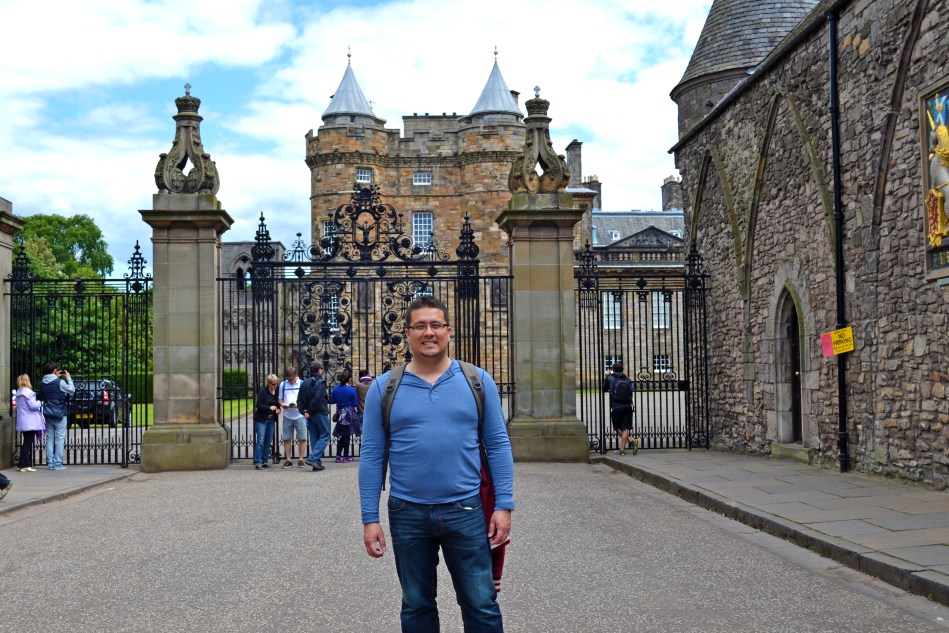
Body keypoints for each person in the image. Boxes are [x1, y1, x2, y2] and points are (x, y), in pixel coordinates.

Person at [359, 296, 514, 632]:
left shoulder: (477, 381)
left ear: (448, 331)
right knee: (416, 606)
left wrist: (504, 505)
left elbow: (499, 445)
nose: (428, 333)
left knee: (481, 604)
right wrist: (369, 518)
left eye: (435, 325)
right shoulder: (384, 388)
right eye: (420, 326)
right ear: (407, 333)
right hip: (407, 511)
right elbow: (372, 457)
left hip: (467, 509)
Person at [39, 362, 74, 470]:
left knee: (49, 439)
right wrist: (68, 378)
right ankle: (57, 463)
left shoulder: (41, 383)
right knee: (59, 439)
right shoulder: (60, 382)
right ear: (55, 371)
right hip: (60, 413)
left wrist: (55, 377)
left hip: (48, 413)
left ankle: (50, 463)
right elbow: (71, 390)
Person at [299, 362, 330, 472]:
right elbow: (317, 399)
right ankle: (313, 458)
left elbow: (300, 400)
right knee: (325, 435)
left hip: (309, 414)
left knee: (314, 437)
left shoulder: (304, 383)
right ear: (319, 370)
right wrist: (309, 412)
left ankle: (316, 462)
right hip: (319, 412)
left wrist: (304, 411)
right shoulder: (320, 382)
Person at [603, 361, 637, 456]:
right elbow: (632, 389)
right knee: (625, 427)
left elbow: (604, 389)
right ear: (622, 370)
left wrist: (607, 376)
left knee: (617, 427)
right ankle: (624, 446)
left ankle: (628, 444)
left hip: (616, 406)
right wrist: (626, 377)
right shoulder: (627, 379)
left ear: (613, 370)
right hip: (627, 406)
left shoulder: (610, 378)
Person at [278, 366, 307, 468]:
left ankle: (301, 459)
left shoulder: (302, 384)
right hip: (287, 415)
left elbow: (305, 399)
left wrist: (298, 405)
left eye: (291, 379)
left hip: (299, 414)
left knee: (302, 438)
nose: (290, 381)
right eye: (288, 379)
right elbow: (280, 399)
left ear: (296, 375)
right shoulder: (283, 384)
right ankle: (288, 459)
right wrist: (282, 405)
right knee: (286, 438)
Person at [15, 374, 44, 472]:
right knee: (27, 442)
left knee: (26, 441)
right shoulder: (29, 393)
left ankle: (21, 464)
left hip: (23, 420)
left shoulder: (19, 392)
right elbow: (33, 406)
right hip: (30, 421)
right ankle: (24, 465)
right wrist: (41, 402)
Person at [253, 374, 281, 470]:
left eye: (276, 384)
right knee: (260, 441)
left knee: (268, 441)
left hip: (271, 419)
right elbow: (258, 405)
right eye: (273, 384)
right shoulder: (263, 392)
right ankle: (258, 462)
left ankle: (265, 461)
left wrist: (278, 409)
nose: (275, 386)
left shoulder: (276, 392)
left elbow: (277, 404)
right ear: (269, 384)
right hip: (261, 419)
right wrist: (269, 407)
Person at [330, 371, 359, 463]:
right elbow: (355, 403)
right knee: (347, 436)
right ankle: (345, 456)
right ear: (349, 379)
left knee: (342, 436)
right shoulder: (352, 390)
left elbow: (332, 400)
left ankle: (338, 455)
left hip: (340, 413)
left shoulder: (335, 389)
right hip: (349, 414)